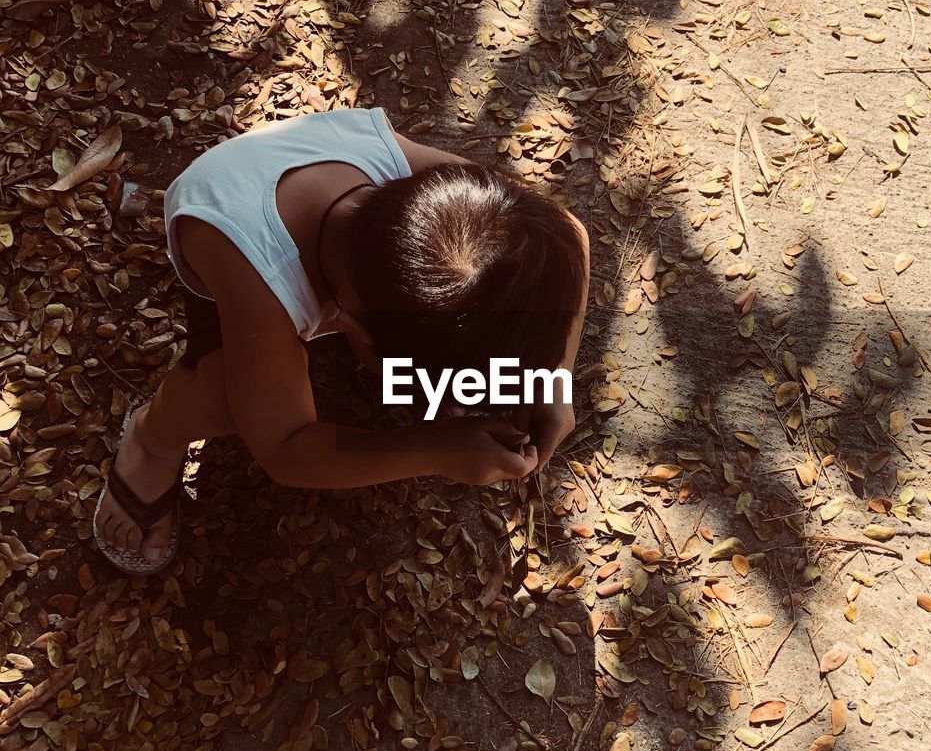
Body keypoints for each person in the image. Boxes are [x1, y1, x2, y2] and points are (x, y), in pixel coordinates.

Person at [93, 106, 590, 575]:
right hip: (229, 233)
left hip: (302, 206)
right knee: (227, 398)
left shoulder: (441, 202)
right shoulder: (264, 286)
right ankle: (150, 438)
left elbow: (569, 231)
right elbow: (285, 450)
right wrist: (432, 449)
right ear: (355, 335)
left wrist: (554, 379)